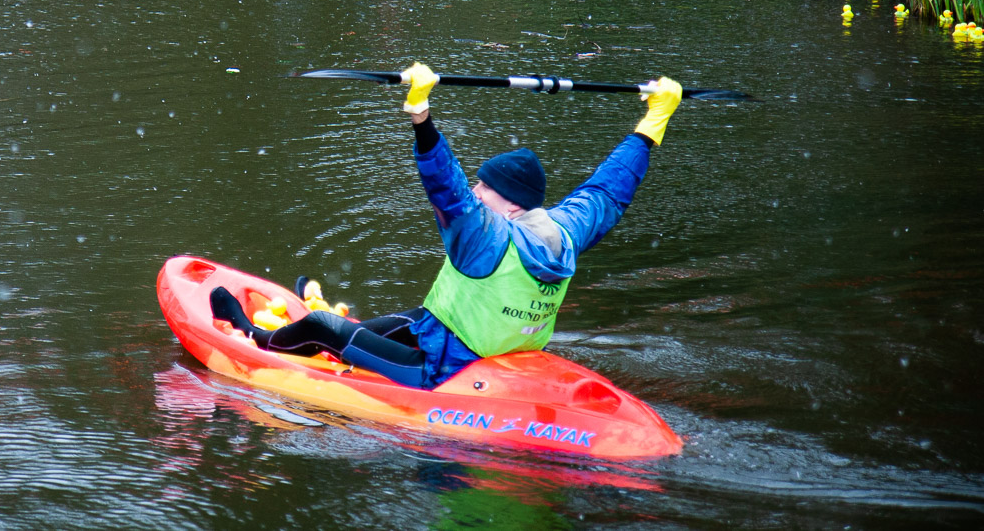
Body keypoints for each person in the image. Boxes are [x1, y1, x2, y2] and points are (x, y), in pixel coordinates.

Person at [210, 64, 684, 389]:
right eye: (478, 184)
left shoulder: (487, 237)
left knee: (324, 327)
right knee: (410, 319)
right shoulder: (567, 231)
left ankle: (253, 337)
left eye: (487, 186)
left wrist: (421, 115)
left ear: (512, 204)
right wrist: (653, 121)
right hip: (469, 341)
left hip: (447, 368)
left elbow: (448, 189)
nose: (477, 193)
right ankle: (320, 336)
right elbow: (608, 191)